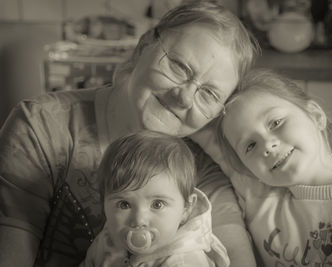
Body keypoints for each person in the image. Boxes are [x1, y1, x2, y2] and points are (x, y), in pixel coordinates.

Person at [0, 2, 260, 267]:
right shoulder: (41, 127)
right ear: (144, 45)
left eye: (209, 94)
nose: (183, 97)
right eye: (179, 67)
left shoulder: (200, 175)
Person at [214, 69, 332, 266]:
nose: (267, 146)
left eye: (276, 123)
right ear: (244, 166)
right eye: (250, 145)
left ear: (316, 115)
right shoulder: (259, 199)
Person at [79, 130, 229, 267]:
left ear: (186, 209)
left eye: (157, 204)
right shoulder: (107, 240)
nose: (139, 220)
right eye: (124, 204)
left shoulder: (184, 261)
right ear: (104, 203)